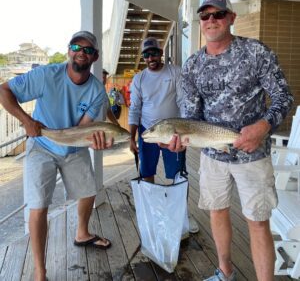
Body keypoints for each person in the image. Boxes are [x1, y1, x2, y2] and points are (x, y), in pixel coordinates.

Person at [163, 0, 294, 281]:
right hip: (212, 156)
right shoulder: (193, 64)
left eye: (218, 14)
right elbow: (190, 116)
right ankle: (225, 272)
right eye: (205, 16)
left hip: (253, 155)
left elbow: (284, 96)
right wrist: (176, 138)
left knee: (258, 222)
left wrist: (263, 126)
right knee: (217, 212)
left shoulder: (256, 52)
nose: (211, 20)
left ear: (231, 18)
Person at [0, 31, 113, 281]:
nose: (81, 52)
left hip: (73, 146)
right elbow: (4, 90)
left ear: (94, 57)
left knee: (88, 190)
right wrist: (27, 120)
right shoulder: (46, 75)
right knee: (38, 205)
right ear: (69, 50)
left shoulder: (97, 91)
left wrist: (95, 142)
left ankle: (82, 233)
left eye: (87, 49)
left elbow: (83, 130)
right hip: (42, 144)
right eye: (76, 46)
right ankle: (40, 271)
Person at [128, 37, 199, 234]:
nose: (151, 57)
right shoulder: (139, 79)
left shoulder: (175, 72)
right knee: (147, 171)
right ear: (143, 57)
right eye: (146, 55)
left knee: (177, 173)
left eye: (154, 53)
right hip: (148, 132)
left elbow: (183, 101)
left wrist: (186, 129)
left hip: (173, 132)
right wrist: (131, 138)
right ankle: (151, 209)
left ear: (161, 53)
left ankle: (182, 213)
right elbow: (135, 109)